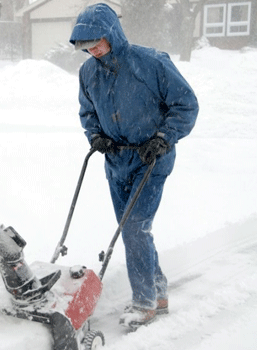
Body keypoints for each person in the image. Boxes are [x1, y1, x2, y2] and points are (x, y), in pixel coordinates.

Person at [69, 3, 199, 328]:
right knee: (134, 231)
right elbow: (87, 112)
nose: (93, 51)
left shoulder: (150, 62)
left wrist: (164, 137)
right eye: (86, 47)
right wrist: (96, 136)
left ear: (111, 33)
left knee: (134, 228)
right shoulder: (88, 73)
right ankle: (158, 291)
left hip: (152, 157)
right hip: (116, 160)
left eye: (96, 42)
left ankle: (144, 303)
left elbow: (186, 104)